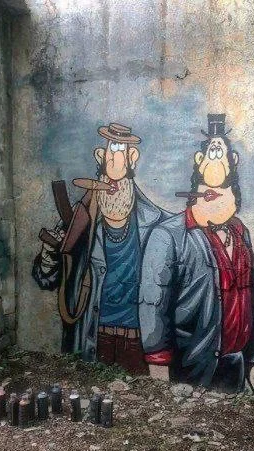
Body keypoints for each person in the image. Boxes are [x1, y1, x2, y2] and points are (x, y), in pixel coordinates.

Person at [139, 114, 254, 393]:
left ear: (234, 162)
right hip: (191, 367)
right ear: (199, 161)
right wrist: (159, 377)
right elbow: (153, 307)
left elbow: (252, 298)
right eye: (211, 152)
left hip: (235, 367)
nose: (217, 159)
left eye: (222, 153)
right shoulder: (169, 235)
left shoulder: (240, 232)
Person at [32, 123, 169, 375]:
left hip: (139, 342)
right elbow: (46, 279)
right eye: (110, 151)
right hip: (91, 337)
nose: (115, 159)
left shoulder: (157, 224)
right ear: (100, 156)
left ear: (132, 157)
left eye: (121, 151)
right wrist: (50, 254)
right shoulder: (81, 219)